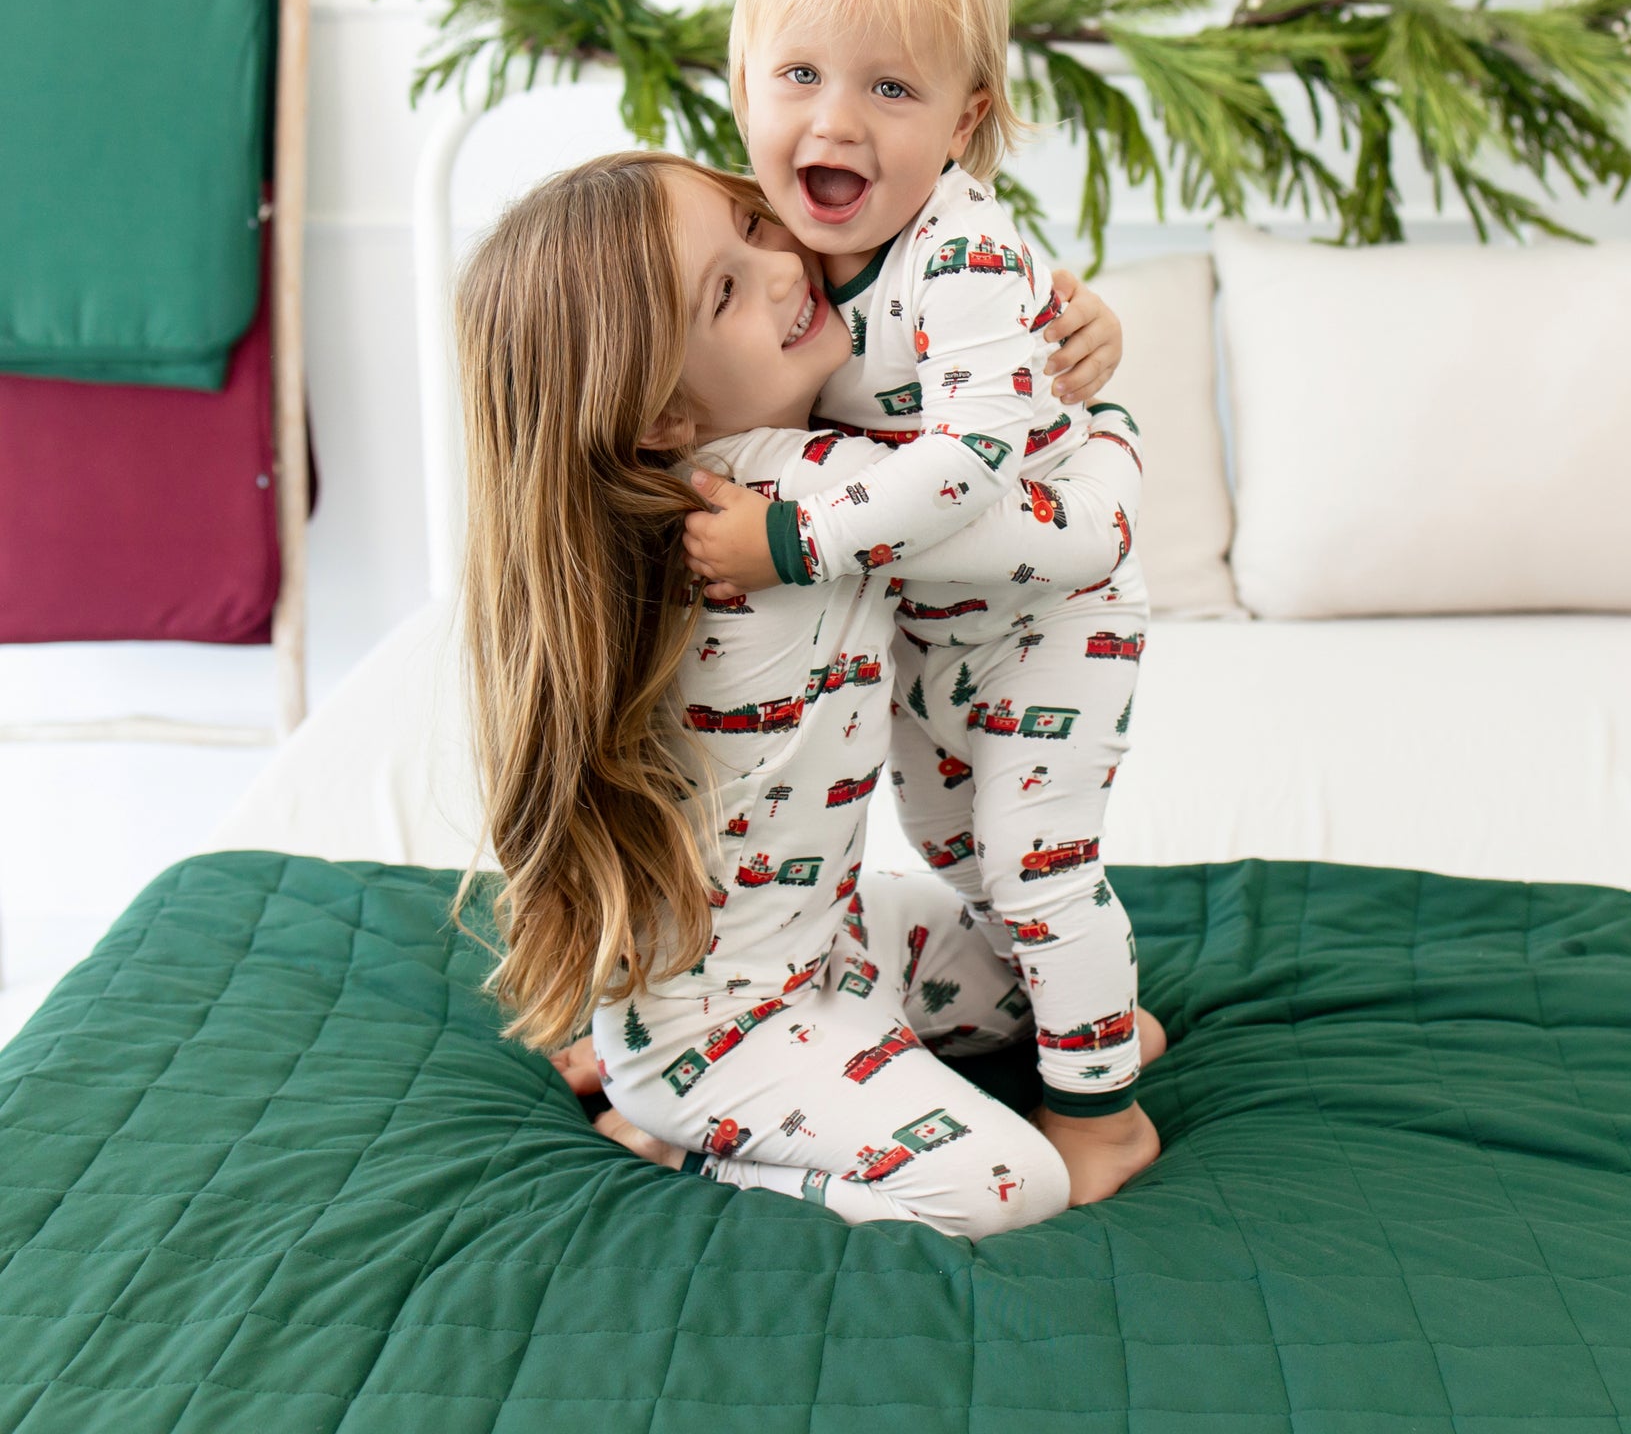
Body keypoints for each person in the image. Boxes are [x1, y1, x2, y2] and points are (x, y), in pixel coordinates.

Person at [456, 148, 1157, 1238]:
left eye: (751, 226)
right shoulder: (794, 498)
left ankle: (677, 1078)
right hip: (725, 1024)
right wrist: (1104, 415)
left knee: (1055, 994)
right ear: (657, 417)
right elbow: (1074, 537)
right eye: (726, 290)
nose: (787, 270)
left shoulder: (684, 488)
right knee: (1016, 1185)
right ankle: (690, 1133)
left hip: (821, 940)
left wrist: (1063, 327)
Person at [681, 0, 1159, 1205]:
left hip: (1059, 612)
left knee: (1035, 860)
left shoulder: (963, 257)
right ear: (739, 85)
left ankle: (1102, 1110)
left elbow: (965, 465)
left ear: (966, 122)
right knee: (952, 854)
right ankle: (1092, 1017)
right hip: (931, 632)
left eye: (892, 91)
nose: (833, 119)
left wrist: (795, 538)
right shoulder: (770, 235)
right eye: (798, 73)